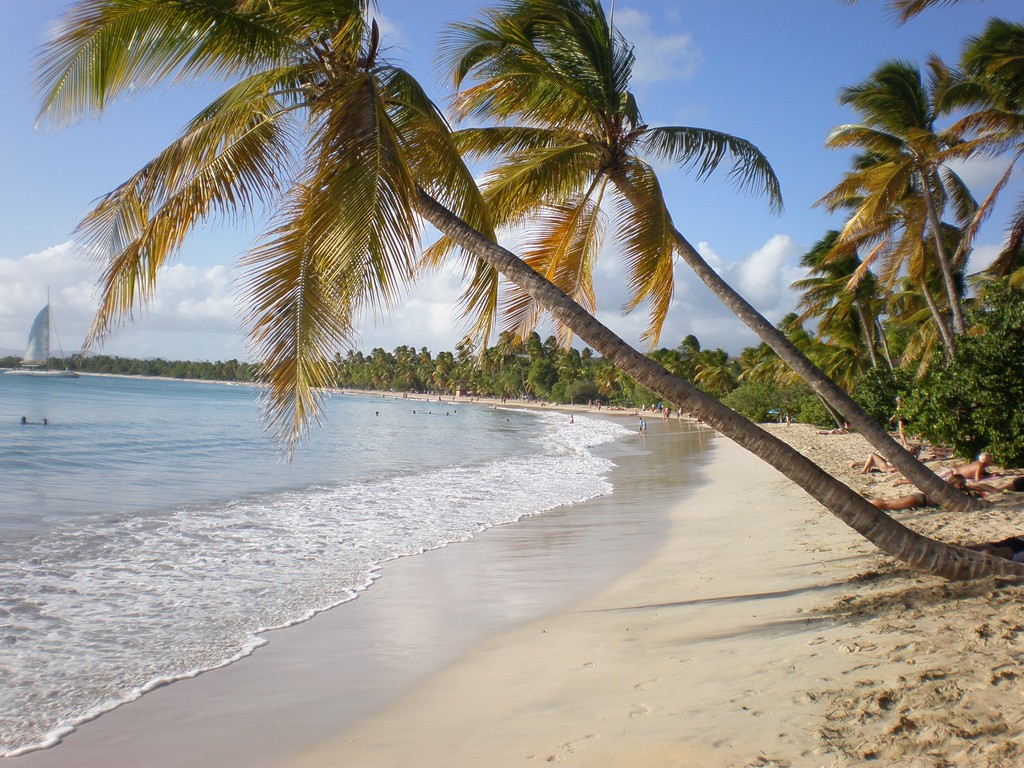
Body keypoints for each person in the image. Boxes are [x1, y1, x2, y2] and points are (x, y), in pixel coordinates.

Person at [867, 473, 971, 511]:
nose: (962, 486)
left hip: (920, 500)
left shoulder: (950, 490)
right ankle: (868, 505)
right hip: (919, 499)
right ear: (954, 482)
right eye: (961, 484)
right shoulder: (947, 490)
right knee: (887, 505)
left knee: (888, 503)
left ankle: (869, 504)